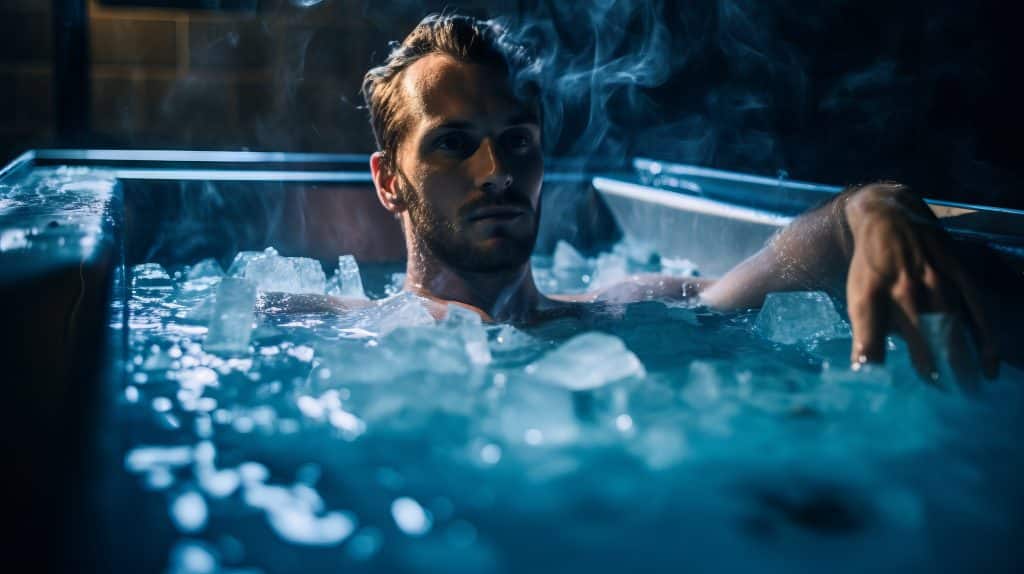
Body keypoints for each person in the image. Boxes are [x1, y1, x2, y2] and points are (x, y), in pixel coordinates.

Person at [277, 13, 999, 382]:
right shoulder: (318, 324)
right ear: (387, 181)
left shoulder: (628, 310)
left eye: (517, 140)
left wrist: (873, 207)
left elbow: (788, 266)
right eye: (453, 142)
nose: (496, 170)